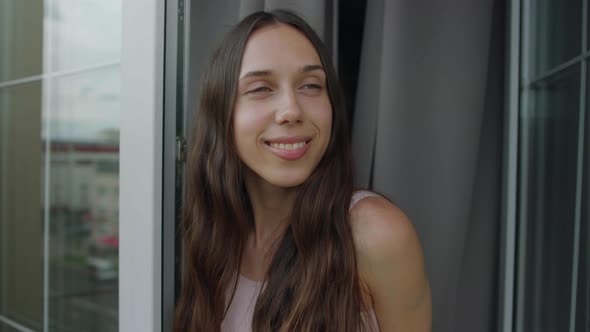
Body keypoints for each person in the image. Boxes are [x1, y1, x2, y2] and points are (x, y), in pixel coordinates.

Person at [174, 9, 431, 332]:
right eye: (261, 88)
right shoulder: (214, 236)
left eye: (310, 85)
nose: (291, 111)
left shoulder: (374, 233)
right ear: (222, 113)